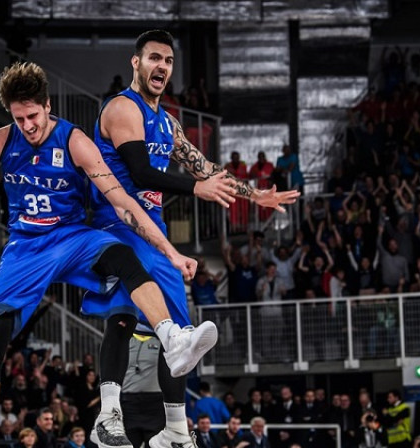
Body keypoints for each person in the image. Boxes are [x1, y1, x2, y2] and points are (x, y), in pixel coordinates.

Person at [0, 61, 213, 448]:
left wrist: (171, 253)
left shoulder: (75, 141)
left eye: (32, 116)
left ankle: (172, 339)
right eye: (18, 118)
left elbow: (124, 203)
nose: (27, 125)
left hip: (73, 237)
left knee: (125, 257)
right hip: (26, 247)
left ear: (47, 106)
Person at [84, 29, 298, 448]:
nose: (162, 66)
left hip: (155, 231)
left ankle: (176, 431)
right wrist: (196, 189)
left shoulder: (168, 123)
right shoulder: (122, 110)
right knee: (123, 319)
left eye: (168, 60)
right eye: (154, 58)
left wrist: (256, 195)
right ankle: (108, 416)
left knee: (181, 336)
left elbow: (207, 168)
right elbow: (142, 173)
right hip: (117, 224)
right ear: (136, 62)